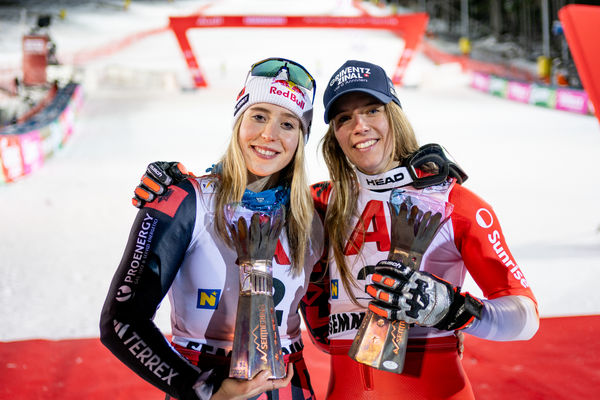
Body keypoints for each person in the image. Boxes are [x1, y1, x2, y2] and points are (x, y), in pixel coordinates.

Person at [130, 60, 539, 400]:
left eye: (372, 110)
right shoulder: (321, 204)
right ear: (332, 136)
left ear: (394, 115)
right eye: (344, 118)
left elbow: (525, 318)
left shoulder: (452, 202)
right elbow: (248, 192)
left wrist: (454, 310)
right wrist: (173, 182)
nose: (359, 126)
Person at [100, 57, 324, 400]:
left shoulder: (314, 215)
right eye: (259, 116)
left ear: (301, 138)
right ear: (238, 121)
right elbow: (121, 320)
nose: (269, 134)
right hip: (205, 382)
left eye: (288, 124)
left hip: (291, 387)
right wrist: (206, 392)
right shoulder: (188, 199)